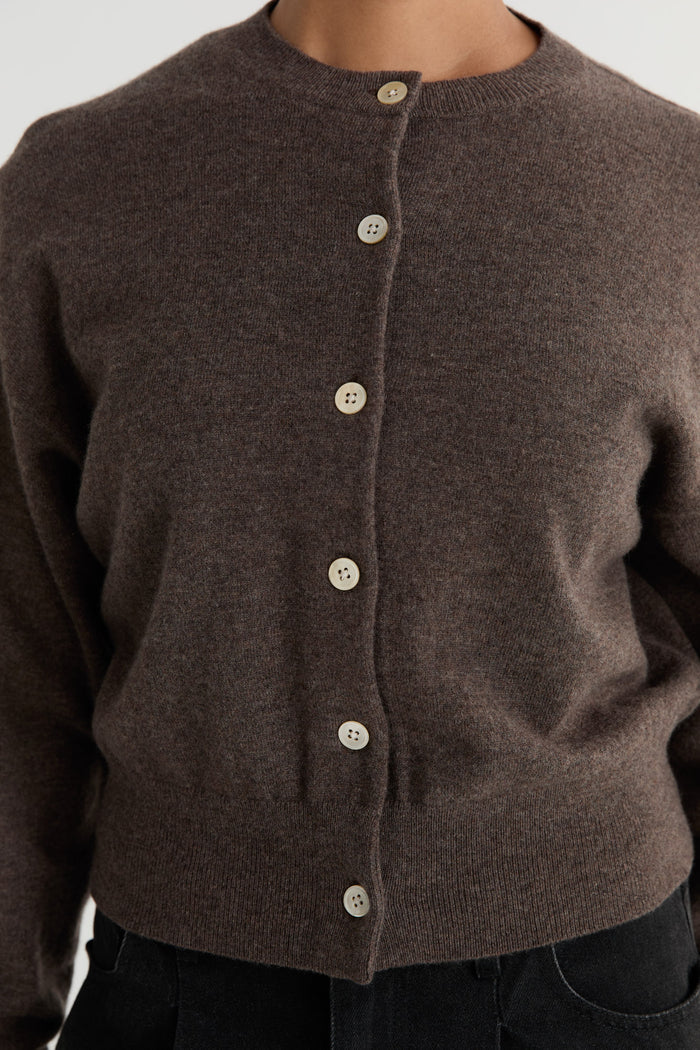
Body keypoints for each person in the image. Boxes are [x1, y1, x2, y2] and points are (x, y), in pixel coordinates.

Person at [0, 0, 698, 1047]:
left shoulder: (671, 186)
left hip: (589, 984)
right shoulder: (78, 180)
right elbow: (22, 648)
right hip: (186, 987)